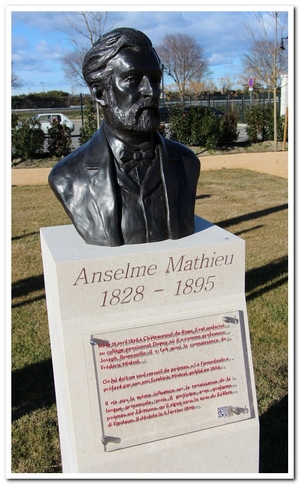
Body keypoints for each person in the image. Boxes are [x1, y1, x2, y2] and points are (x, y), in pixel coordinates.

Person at [48, 28, 200, 246]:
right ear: (100, 94)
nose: (152, 91)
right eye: (133, 79)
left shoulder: (187, 163)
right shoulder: (67, 176)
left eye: (155, 79)